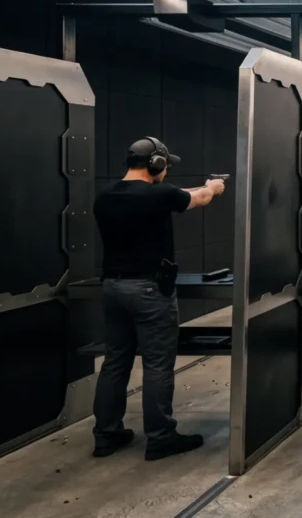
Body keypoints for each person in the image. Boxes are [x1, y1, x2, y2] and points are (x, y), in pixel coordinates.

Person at [92, 137, 225, 460]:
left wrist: (198, 186)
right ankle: (161, 437)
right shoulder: (159, 194)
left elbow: (176, 196)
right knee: (157, 364)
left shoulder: (105, 196)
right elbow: (201, 198)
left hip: (112, 288)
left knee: (115, 362)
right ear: (157, 165)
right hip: (149, 290)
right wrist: (214, 188)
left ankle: (106, 435)